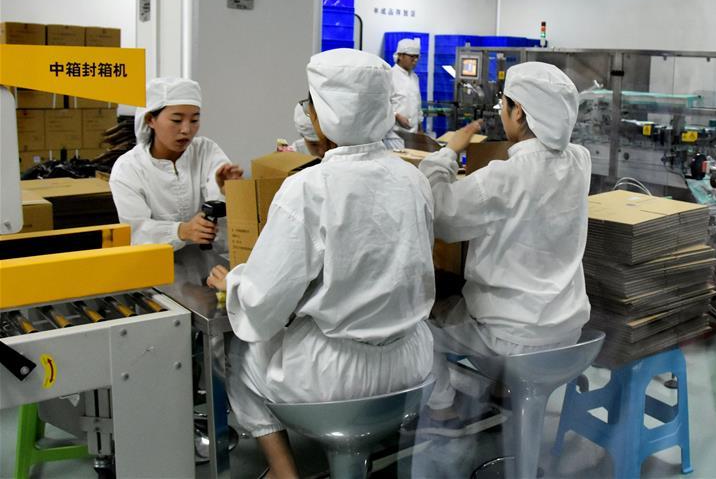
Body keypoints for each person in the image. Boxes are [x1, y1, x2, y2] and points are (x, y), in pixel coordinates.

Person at [206, 49, 436, 478]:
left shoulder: (308, 188)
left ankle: (284, 472)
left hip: (334, 379)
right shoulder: (413, 179)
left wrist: (233, 284)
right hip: (411, 366)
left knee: (241, 355)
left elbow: (264, 300)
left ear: (320, 114)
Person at [417, 61, 592, 431]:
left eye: (504, 104)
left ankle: (442, 410)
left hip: (514, 338)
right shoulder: (580, 161)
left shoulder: (503, 178)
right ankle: (504, 391)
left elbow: (441, 215)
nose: (500, 111)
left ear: (520, 112)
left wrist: (447, 153)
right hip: (569, 332)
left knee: (420, 324)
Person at [109, 76, 243, 282]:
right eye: (177, 120)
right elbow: (137, 231)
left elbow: (219, 210)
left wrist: (227, 191)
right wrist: (181, 231)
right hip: (153, 270)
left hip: (209, 268)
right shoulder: (128, 168)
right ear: (150, 120)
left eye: (194, 120)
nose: (186, 129)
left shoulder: (206, 151)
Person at [383, 38, 423, 150]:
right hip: (394, 136)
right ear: (400, 56)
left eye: (417, 57)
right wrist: (396, 115)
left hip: (413, 135)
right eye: (412, 57)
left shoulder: (414, 77)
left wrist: (420, 128)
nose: (415, 60)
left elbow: (417, 105)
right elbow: (382, 103)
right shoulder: (390, 75)